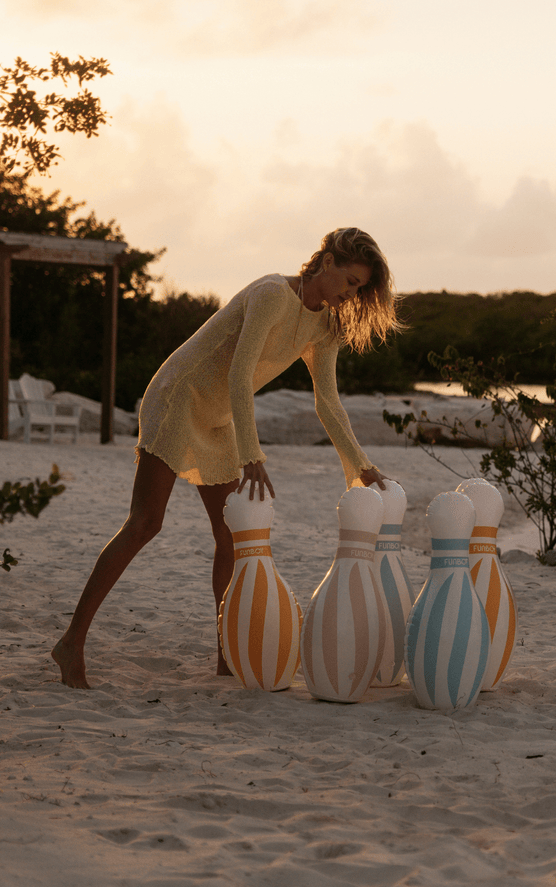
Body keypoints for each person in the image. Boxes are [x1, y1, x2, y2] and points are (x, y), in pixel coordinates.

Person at [52, 227, 401, 690]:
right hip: (180, 395)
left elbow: (327, 402)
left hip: (218, 417)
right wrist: (252, 455)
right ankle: (71, 643)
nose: (350, 293)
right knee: (145, 523)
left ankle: (226, 653)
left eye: (359, 288)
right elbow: (239, 373)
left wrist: (360, 464)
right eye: (349, 280)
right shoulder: (272, 294)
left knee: (231, 537)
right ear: (327, 261)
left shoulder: (326, 324)